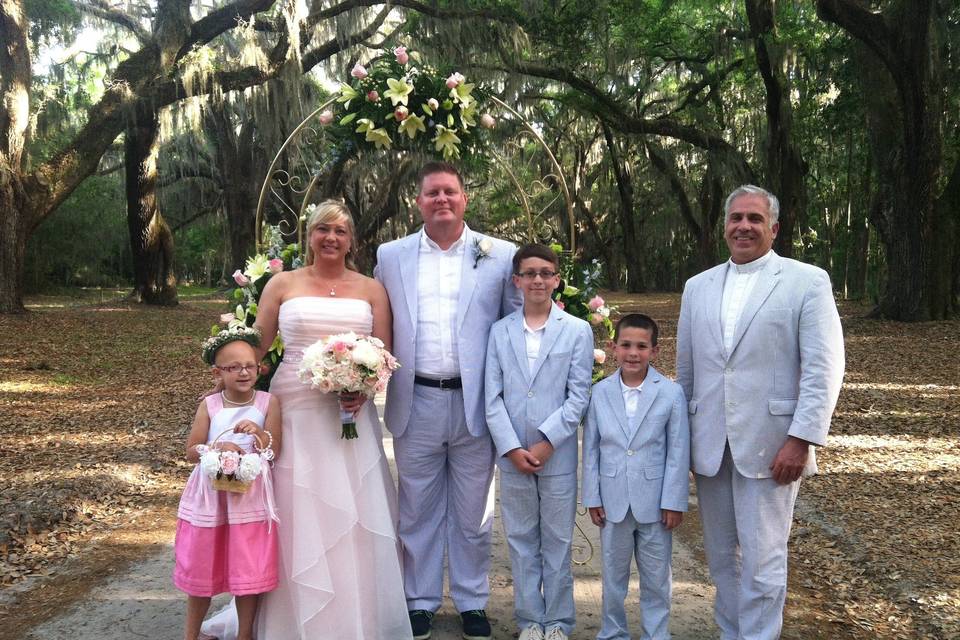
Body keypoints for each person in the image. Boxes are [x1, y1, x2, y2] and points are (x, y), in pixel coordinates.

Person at [203, 200, 411, 639]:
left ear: (351, 239)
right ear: (309, 236)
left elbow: (385, 354)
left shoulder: (372, 288)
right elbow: (257, 347)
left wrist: (362, 387)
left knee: (354, 506)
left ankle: (356, 617)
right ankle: (288, 618)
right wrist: (227, 376)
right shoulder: (282, 283)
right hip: (292, 408)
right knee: (294, 503)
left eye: (339, 231)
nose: (331, 238)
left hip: (349, 411)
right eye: (322, 230)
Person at [675, 185, 845, 640]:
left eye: (754, 218)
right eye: (736, 218)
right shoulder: (698, 287)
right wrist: (681, 444)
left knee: (763, 556)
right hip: (710, 446)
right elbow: (687, 373)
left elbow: (823, 366)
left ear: (774, 227)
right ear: (725, 226)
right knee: (720, 556)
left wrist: (802, 437)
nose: (744, 226)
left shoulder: (805, 281)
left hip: (773, 445)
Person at [375, 161, 522, 640]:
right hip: (415, 400)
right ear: (418, 201)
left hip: (475, 403)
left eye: (450, 192)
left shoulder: (499, 255)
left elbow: (513, 329)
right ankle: (418, 600)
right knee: (415, 508)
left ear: (465, 199)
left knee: (473, 511)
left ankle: (472, 600)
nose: (442, 199)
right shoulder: (391, 255)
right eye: (432, 192)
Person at [484, 244, 594, 640]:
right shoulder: (499, 332)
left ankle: (559, 622)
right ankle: (530, 619)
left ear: (557, 279)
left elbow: (578, 395)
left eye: (546, 273)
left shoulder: (577, 331)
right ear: (517, 281)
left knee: (558, 540)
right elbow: (491, 397)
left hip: (557, 455)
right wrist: (511, 447)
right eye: (529, 273)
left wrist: (548, 440)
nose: (538, 280)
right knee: (521, 538)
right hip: (513, 456)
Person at [582, 313, 690, 640]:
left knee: (656, 577)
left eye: (642, 346)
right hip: (613, 500)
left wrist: (674, 501)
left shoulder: (670, 394)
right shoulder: (600, 393)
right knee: (613, 576)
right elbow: (591, 449)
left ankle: (656, 633)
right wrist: (593, 496)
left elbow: (678, 451)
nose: (633, 353)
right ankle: (612, 631)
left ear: (655, 351)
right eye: (626, 345)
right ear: (613, 347)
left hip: (655, 502)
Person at [174, 327, 282, 640]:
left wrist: (258, 435)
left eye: (250, 365)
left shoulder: (267, 403)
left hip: (249, 498)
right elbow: (192, 449)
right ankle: (191, 634)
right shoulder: (210, 405)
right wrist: (215, 448)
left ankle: (244, 633)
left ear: (260, 368)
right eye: (233, 367)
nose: (244, 372)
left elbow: (276, 449)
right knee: (202, 564)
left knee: (248, 567)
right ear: (217, 372)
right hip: (211, 497)